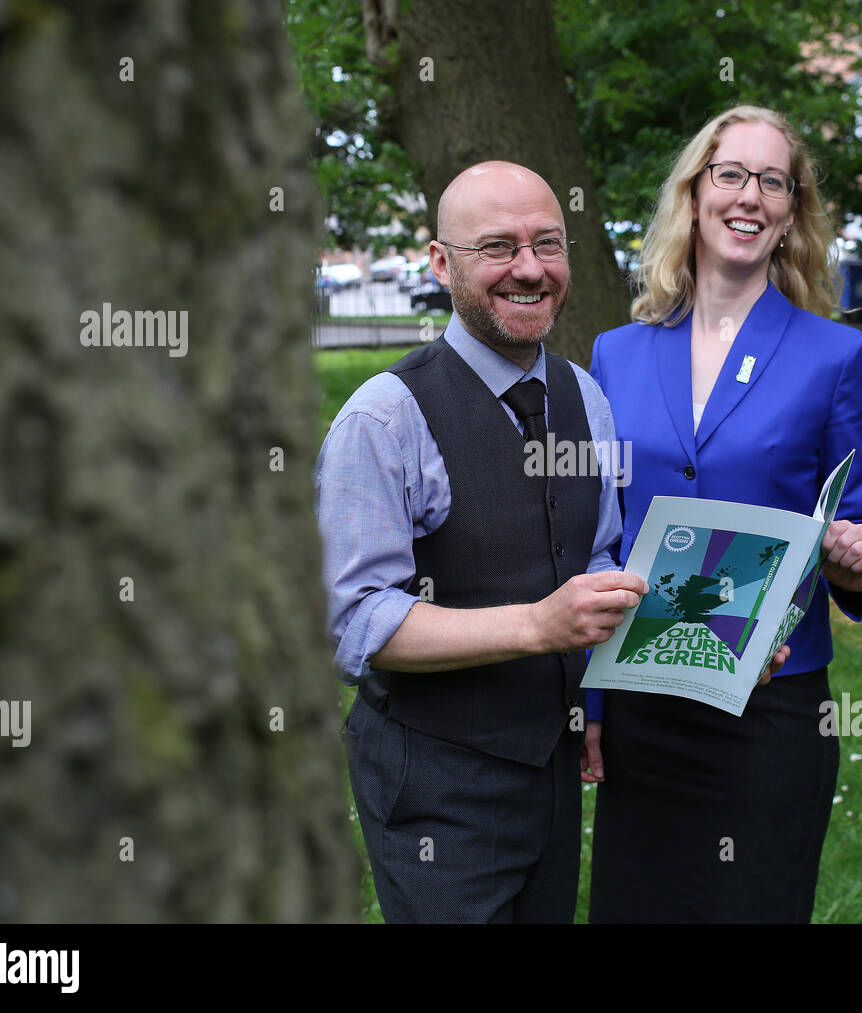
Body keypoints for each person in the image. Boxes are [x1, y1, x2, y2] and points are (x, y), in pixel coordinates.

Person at [314, 161, 649, 923]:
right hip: (438, 783)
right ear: (441, 263)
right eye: (498, 247)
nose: (529, 269)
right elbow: (354, 621)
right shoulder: (384, 419)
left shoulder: (584, 396)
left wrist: (721, 627)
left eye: (548, 244)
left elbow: (595, 554)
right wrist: (536, 626)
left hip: (554, 770)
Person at [582, 106, 862, 923]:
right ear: (695, 193)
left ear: (791, 211)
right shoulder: (616, 352)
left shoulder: (838, 357)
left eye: (772, 180)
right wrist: (596, 704)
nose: (748, 195)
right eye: (730, 174)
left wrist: (854, 557)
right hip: (644, 699)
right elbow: (599, 531)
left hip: (773, 707)